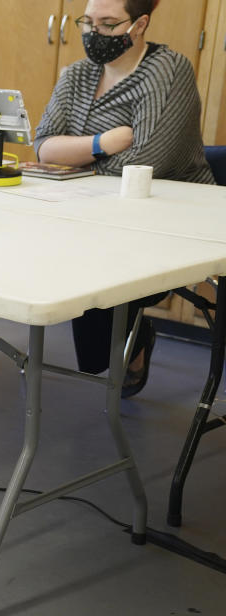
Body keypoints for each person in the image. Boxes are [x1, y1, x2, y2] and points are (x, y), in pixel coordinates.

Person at [33, 0, 215, 396]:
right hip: (90, 210)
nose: (94, 32)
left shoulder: (168, 69)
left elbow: (146, 160)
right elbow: (43, 147)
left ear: (141, 24)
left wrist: (77, 158)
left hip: (167, 217)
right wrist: (104, 141)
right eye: (89, 22)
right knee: (61, 255)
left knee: (96, 266)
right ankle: (120, 344)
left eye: (109, 23)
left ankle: (130, 340)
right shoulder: (77, 74)